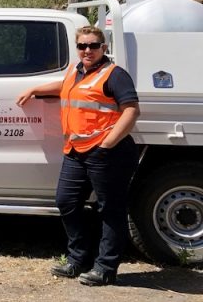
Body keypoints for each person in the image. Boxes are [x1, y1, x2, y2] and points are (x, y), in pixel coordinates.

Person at [16, 25, 140, 286]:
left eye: (93, 46)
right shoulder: (76, 70)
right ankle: (78, 259)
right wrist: (37, 89)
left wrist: (107, 144)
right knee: (66, 202)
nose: (87, 50)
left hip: (107, 152)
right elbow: (64, 86)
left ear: (103, 48)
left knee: (110, 210)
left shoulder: (114, 75)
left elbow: (131, 111)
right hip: (76, 150)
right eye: (82, 46)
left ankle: (106, 268)